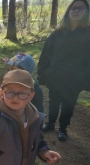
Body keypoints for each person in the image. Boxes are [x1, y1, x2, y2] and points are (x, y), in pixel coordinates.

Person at [37, 0, 90, 141]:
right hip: (55, 77)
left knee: (68, 105)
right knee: (53, 102)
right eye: (73, 8)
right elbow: (46, 54)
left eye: (80, 8)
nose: (76, 11)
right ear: (68, 11)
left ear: (86, 12)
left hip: (75, 80)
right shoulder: (58, 33)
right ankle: (50, 123)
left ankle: (63, 128)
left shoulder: (87, 34)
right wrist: (43, 73)